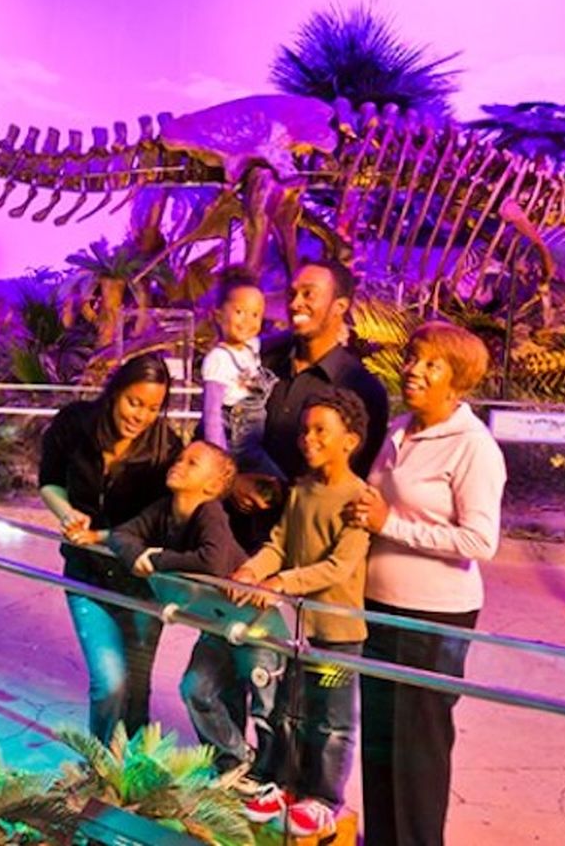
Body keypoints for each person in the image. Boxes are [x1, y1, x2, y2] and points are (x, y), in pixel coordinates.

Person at [348, 321, 505, 846]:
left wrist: (389, 525)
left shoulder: (473, 446)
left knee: (418, 748)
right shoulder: (399, 429)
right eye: (413, 357)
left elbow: (480, 541)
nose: (413, 369)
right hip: (377, 606)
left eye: (431, 364)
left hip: (433, 614)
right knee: (381, 740)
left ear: (457, 382)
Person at [229, 392, 374, 841]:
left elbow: (338, 567)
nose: (307, 439)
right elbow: (278, 543)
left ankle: (324, 797)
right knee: (287, 709)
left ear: (349, 441)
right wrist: (254, 568)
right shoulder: (300, 491)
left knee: (331, 719)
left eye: (320, 431)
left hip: (337, 635)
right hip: (293, 630)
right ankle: (286, 781)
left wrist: (281, 583)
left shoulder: (359, 499)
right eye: (305, 430)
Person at [39, 353, 181, 742]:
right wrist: (67, 514)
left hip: (141, 583)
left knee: (137, 689)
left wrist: (101, 536)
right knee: (110, 683)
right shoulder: (75, 423)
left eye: (152, 408)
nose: (140, 416)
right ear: (116, 390)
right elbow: (49, 480)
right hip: (87, 574)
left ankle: (132, 773)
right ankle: (100, 767)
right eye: (134, 402)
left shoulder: (166, 448)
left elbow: (160, 519)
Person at [104, 441, 257, 774]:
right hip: (218, 624)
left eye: (192, 462)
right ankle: (230, 762)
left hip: (250, 621)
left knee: (249, 699)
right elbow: (121, 535)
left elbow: (212, 563)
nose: (179, 463)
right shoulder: (164, 508)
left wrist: (155, 558)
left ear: (213, 486)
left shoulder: (210, 513)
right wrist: (136, 556)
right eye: (180, 457)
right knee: (201, 689)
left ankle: (246, 765)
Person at [260, 261, 390, 483]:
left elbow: (357, 474)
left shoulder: (361, 389)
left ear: (339, 306)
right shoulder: (260, 360)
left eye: (308, 294)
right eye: (292, 294)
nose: (295, 303)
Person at [201, 275, 272, 465]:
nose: (248, 321)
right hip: (234, 440)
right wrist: (219, 458)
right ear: (218, 315)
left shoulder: (252, 346)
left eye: (255, 314)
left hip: (255, 436)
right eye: (240, 311)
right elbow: (212, 414)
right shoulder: (218, 359)